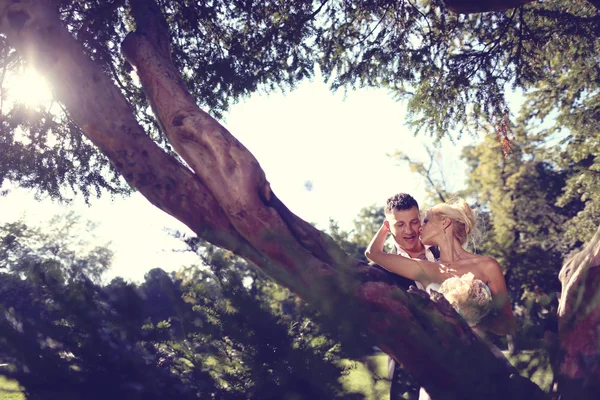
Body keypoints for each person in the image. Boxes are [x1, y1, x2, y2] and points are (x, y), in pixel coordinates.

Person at [366, 197, 516, 399]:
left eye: (422, 221)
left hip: (482, 357)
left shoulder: (487, 265)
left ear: (445, 223)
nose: (416, 229)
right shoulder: (426, 269)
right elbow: (373, 253)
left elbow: (507, 324)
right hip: (435, 366)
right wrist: (387, 227)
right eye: (401, 224)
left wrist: (476, 318)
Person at [378, 193, 439, 400]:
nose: (409, 231)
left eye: (414, 222)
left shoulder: (445, 253)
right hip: (410, 370)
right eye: (400, 224)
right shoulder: (380, 271)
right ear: (387, 226)